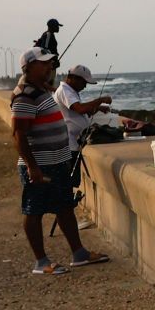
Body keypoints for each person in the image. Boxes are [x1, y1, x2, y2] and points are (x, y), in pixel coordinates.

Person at [11, 48, 109, 274]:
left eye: (50, 64)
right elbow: (19, 135)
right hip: (40, 165)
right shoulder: (25, 95)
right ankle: (41, 262)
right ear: (29, 67)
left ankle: (79, 253)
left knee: (65, 208)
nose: (49, 67)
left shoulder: (42, 90)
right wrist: (32, 167)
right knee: (33, 211)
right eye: (43, 64)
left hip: (58, 162)